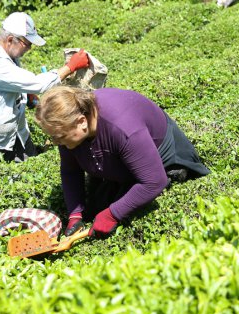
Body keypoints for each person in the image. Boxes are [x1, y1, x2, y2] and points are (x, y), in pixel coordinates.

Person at [34, 87, 210, 238]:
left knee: (120, 206)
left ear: (81, 122)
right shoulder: (69, 127)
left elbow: (154, 181)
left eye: (59, 138)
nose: (56, 143)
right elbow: (71, 171)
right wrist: (75, 213)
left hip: (161, 153)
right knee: (97, 206)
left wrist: (112, 215)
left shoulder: (123, 128)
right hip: (116, 149)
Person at [0, 12, 90, 162]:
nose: (29, 48)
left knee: (32, 170)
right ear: (10, 40)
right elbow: (39, 84)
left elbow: (12, 81)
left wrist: (26, 94)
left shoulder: (8, 54)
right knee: (1, 184)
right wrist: (71, 66)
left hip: (17, 136)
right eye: (27, 44)